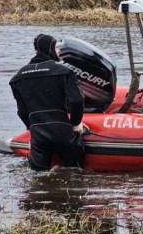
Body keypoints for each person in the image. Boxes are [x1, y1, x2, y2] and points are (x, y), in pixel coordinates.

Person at [9, 34, 86, 170]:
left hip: (38, 135)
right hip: (62, 132)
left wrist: (30, 130)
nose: (59, 51)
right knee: (74, 173)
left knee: (38, 176)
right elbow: (77, 100)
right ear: (49, 48)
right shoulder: (64, 71)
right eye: (56, 47)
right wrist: (75, 123)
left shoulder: (18, 78)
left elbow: (22, 111)